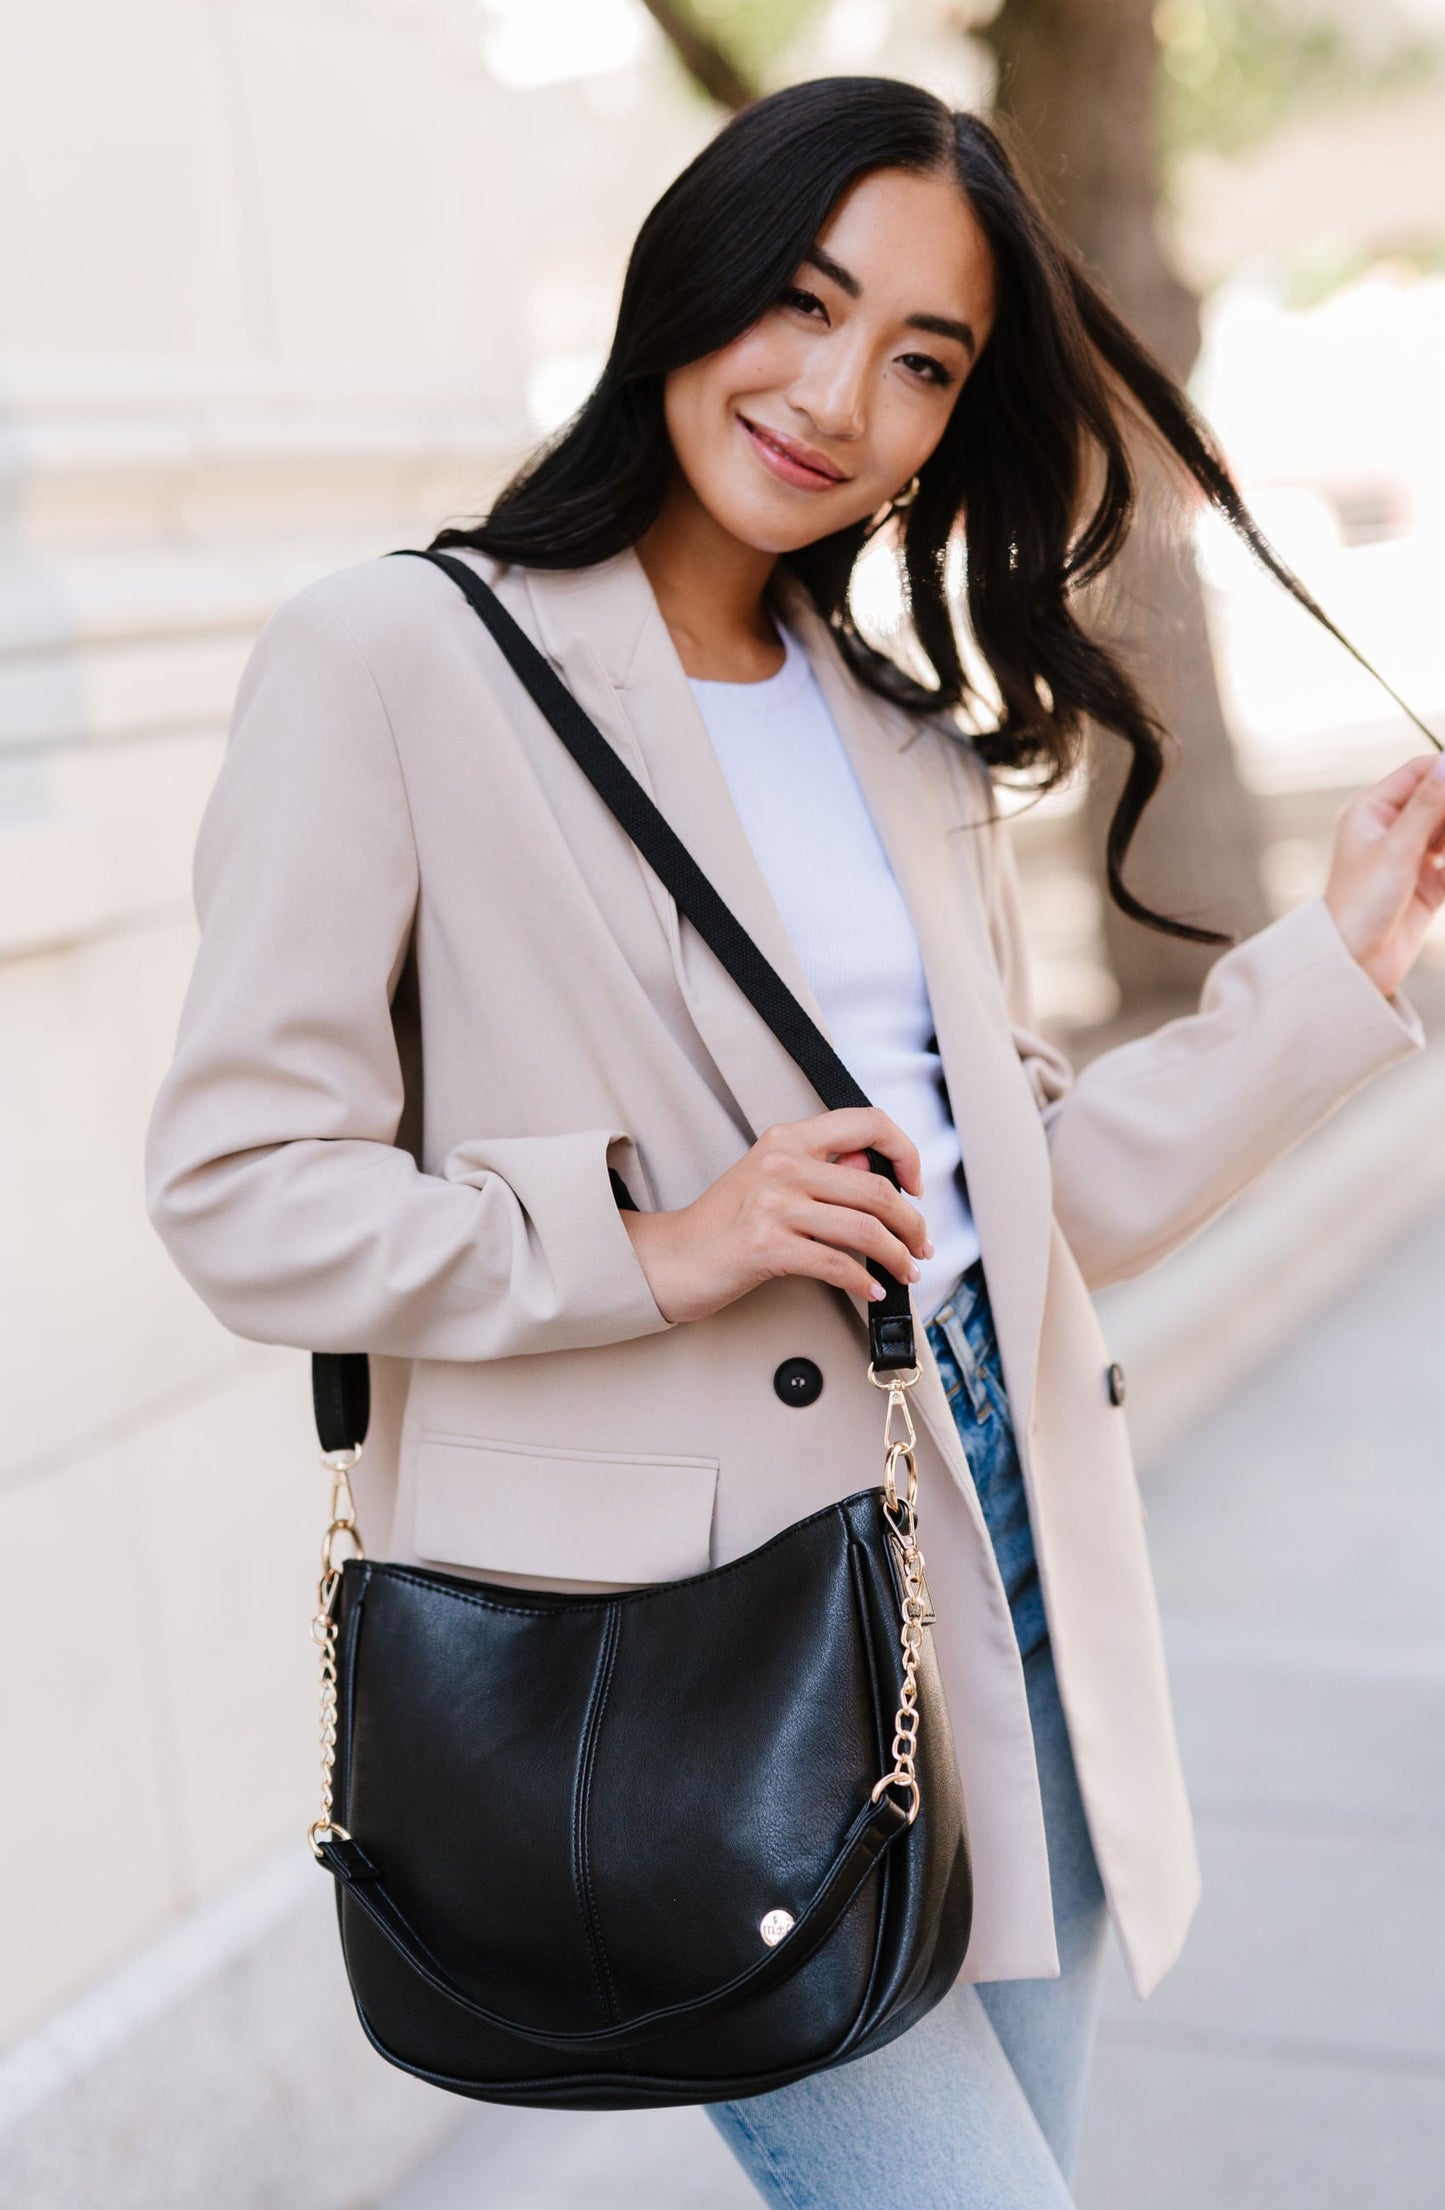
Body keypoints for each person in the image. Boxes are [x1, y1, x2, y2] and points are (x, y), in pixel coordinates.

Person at [144, 77, 1442, 2208]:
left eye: (923, 360)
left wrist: (1341, 963)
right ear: (693, 280)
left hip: (1008, 1597)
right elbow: (237, 1189)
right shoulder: (393, 660)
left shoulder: (897, 732)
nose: (841, 395)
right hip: (703, 1670)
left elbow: (1023, 1211)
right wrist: (653, 1243)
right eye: (807, 303)